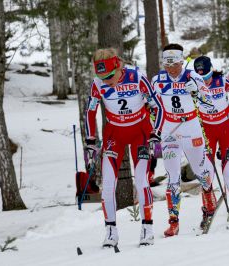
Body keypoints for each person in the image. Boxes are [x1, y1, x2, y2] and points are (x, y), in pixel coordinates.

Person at [85, 48, 161, 247]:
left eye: (110, 76)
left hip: (140, 132)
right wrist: (91, 141)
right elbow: (90, 112)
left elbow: (156, 106)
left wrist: (156, 132)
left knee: (142, 181)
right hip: (114, 134)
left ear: (118, 67)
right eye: (101, 76)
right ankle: (111, 232)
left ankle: (147, 229)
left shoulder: (137, 77)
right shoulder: (97, 84)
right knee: (108, 184)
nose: (106, 80)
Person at [150, 44, 216, 236]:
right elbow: (153, 106)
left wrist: (196, 91)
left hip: (191, 126)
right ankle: (173, 221)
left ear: (182, 61)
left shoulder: (193, 76)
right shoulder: (158, 80)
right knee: (172, 176)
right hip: (170, 129)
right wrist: (156, 127)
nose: (171, 69)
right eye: (167, 65)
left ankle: (208, 196)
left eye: (175, 64)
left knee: (199, 170)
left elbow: (209, 103)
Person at [193, 56, 229, 228]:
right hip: (207, 130)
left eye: (208, 75)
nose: (205, 80)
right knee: (206, 174)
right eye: (202, 77)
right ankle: (208, 207)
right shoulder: (193, 83)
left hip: (226, 129)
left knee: (228, 173)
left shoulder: (223, 81)